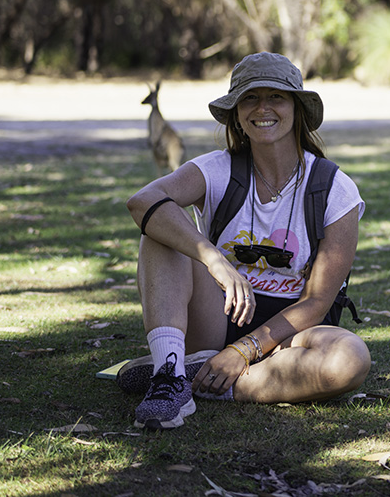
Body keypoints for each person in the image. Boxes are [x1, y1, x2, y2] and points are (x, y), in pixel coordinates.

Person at [118, 51, 370, 429]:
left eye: (276, 97)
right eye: (250, 97)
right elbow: (143, 202)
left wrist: (243, 350)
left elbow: (318, 301)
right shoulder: (218, 169)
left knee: (349, 359)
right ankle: (170, 376)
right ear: (236, 112)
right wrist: (214, 259)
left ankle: (206, 381)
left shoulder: (334, 189)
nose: (262, 108)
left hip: (292, 333)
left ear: (296, 108)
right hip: (217, 316)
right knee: (160, 228)